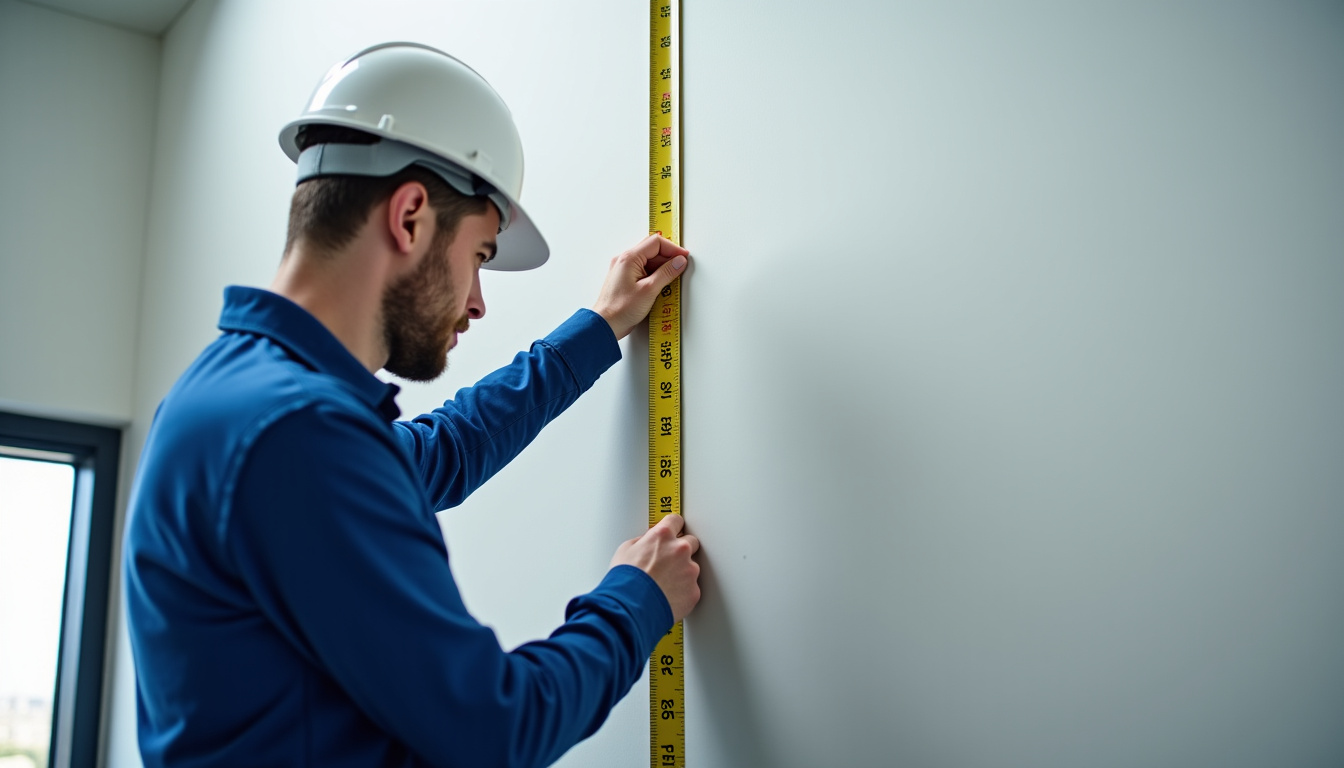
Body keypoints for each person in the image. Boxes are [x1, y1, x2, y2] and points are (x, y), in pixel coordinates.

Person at [122, 42, 699, 768]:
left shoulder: (241, 398)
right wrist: (638, 599)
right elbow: (497, 727)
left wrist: (596, 328)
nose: (479, 302)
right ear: (411, 215)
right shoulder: (296, 432)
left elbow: (445, 451)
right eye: (481, 256)